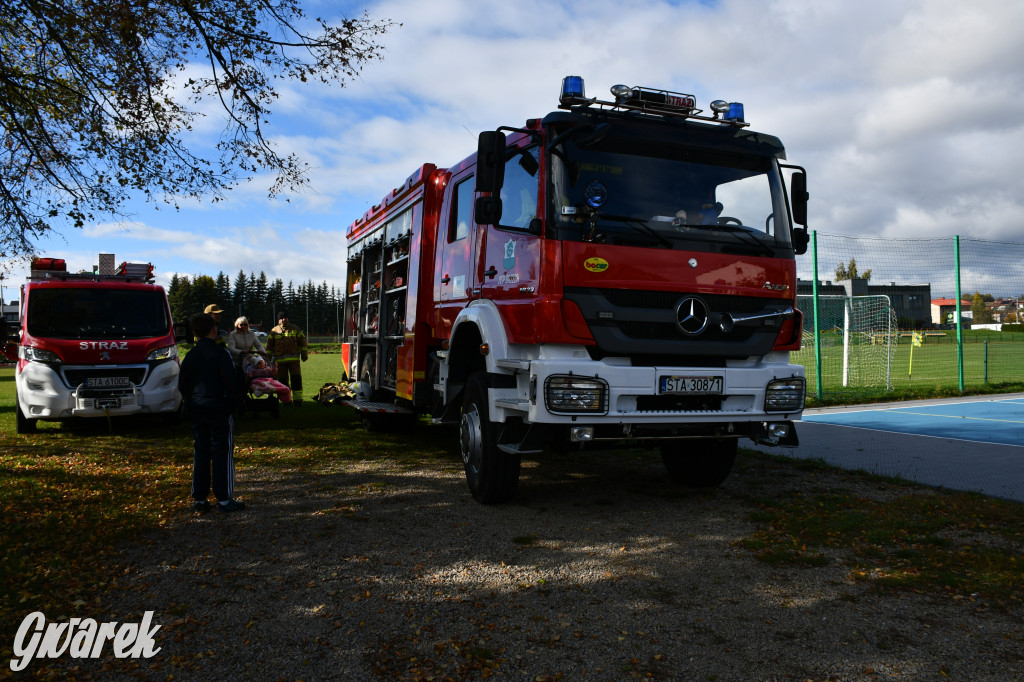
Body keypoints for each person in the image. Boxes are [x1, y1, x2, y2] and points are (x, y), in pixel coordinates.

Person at [178, 312, 245, 513]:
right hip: (218, 408)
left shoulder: (190, 355)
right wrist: (234, 403)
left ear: (195, 333)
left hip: (197, 408)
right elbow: (232, 381)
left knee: (201, 451)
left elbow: (183, 384)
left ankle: (199, 498)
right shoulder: (221, 353)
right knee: (222, 451)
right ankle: (223, 499)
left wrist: (190, 401)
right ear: (214, 330)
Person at [266, 311, 308, 405]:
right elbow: (269, 346)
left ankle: (298, 400)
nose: (284, 319)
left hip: (294, 362)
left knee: (296, 379)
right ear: (278, 320)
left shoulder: (295, 329)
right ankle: (286, 400)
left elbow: (303, 342)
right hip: (280, 363)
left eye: (285, 317)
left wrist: (304, 354)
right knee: (282, 381)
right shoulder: (274, 331)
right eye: (282, 318)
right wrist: (268, 359)